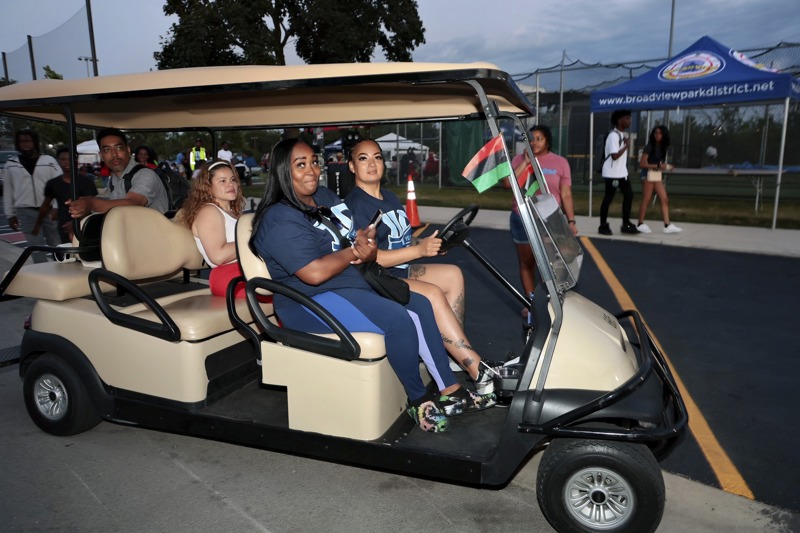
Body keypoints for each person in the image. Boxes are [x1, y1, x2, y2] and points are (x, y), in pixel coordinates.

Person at [251, 139, 494, 433]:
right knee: (398, 319)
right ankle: (418, 400)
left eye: (314, 162)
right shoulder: (280, 218)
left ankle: (450, 389)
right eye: (300, 165)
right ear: (282, 171)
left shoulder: (322, 196)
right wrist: (355, 251)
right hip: (308, 300)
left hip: (346, 283)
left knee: (419, 304)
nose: (311, 170)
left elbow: (351, 235)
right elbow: (314, 273)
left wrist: (362, 242)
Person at [345, 139, 498, 394]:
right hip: (377, 277)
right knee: (433, 293)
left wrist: (429, 244)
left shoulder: (389, 197)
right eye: (363, 158)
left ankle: (454, 351)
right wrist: (418, 251)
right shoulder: (356, 205)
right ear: (352, 166)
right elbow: (371, 257)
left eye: (377, 157)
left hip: (398, 269)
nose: (372, 164)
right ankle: (475, 368)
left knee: (453, 274)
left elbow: (401, 242)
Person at [509, 125, 577, 298]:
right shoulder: (518, 159)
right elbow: (508, 184)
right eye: (531, 139)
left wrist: (571, 220)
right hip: (523, 218)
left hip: (550, 219)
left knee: (549, 264)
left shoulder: (560, 162)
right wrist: (526, 163)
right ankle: (531, 303)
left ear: (547, 141)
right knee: (527, 262)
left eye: (539, 139)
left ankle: (549, 300)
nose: (534, 143)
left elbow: (566, 194)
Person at [180, 159, 247, 297]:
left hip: (244, 269)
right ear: (208, 187)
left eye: (233, 179)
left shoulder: (235, 213)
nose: (230, 184)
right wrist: (254, 239)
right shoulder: (209, 211)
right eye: (222, 181)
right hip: (228, 276)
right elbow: (218, 256)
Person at [67, 128, 169, 218]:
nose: (114, 154)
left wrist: (91, 204)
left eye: (119, 148)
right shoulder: (114, 179)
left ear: (128, 150)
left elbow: (134, 203)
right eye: (107, 150)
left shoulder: (145, 175)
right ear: (101, 156)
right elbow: (112, 205)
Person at [3, 129, 62, 262]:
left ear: (35, 142)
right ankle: (42, 271)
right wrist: (10, 215)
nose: (25, 144)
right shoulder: (11, 164)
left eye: (28, 141)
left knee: (56, 244)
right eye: (22, 141)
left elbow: (59, 185)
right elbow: (8, 191)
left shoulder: (49, 161)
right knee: (35, 247)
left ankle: (64, 268)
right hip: (26, 212)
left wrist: (57, 207)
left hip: (49, 210)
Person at [33, 147, 98, 243]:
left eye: (69, 159)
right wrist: (37, 225)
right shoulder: (53, 183)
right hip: (63, 228)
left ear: (76, 160)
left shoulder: (86, 182)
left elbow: (90, 206)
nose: (66, 162)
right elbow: (45, 206)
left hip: (85, 226)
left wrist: (75, 223)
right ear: (58, 161)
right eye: (62, 159)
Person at [636, 126, 683, 234]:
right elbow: (642, 164)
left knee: (664, 198)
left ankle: (667, 225)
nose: (657, 135)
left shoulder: (662, 148)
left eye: (660, 133)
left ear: (664, 135)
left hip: (655, 174)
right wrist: (658, 166)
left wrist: (667, 166)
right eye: (655, 133)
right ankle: (640, 224)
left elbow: (658, 163)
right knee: (647, 199)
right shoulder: (649, 147)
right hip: (647, 174)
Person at [598, 109, 638, 235]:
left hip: (622, 173)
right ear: (619, 120)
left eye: (629, 118)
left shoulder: (620, 135)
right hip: (612, 174)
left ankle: (626, 223)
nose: (629, 121)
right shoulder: (613, 136)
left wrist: (625, 144)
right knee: (608, 198)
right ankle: (603, 225)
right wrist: (626, 146)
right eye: (627, 118)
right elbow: (614, 156)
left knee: (629, 195)